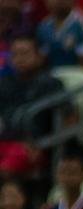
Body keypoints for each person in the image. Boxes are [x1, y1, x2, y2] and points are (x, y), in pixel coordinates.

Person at [0, 34, 67, 179]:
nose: (20, 58)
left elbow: (69, 116)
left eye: (25, 53)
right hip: (6, 141)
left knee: (8, 166)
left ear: (38, 56)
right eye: (15, 54)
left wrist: (45, 143)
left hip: (38, 146)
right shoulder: (4, 84)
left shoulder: (51, 84)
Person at [36, 0, 83, 68]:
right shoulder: (43, 25)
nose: (59, 1)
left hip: (77, 72)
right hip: (50, 73)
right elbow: (42, 56)